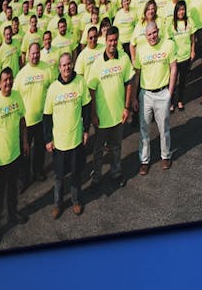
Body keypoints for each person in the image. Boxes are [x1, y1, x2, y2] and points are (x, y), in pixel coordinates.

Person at [43, 50, 91, 217]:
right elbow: (47, 116)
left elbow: (86, 108)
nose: (67, 67)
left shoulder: (80, 82)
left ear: (72, 64)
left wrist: (86, 130)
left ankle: (76, 201)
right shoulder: (53, 89)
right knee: (59, 177)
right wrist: (48, 139)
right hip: (60, 143)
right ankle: (58, 204)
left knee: (76, 174)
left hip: (76, 139)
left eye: (69, 64)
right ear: (59, 67)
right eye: (63, 65)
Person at [0, 65, 26, 243]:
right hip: (0, 162)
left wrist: (24, 142)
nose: (8, 83)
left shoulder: (17, 96)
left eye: (10, 79)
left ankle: (13, 214)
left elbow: (22, 120)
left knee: (12, 191)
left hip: (15, 155)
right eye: (5, 80)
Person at [87, 26, 134, 183]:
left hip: (118, 114)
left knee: (116, 147)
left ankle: (116, 171)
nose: (112, 43)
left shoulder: (124, 58)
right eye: (110, 40)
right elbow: (91, 89)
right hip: (101, 117)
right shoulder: (97, 63)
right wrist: (93, 114)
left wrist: (127, 108)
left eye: (115, 40)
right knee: (98, 150)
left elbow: (129, 82)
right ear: (105, 41)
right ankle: (97, 176)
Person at [130, 21, 177, 174]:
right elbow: (136, 75)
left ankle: (165, 156)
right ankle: (144, 161)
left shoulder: (168, 45)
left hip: (163, 92)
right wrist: (134, 98)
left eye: (154, 32)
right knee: (144, 129)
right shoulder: (141, 50)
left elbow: (173, 68)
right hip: (146, 94)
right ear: (145, 35)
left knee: (164, 128)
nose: (152, 36)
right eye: (149, 34)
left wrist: (170, 92)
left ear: (158, 31)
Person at [15, 42, 54, 185]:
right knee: (25, 151)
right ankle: (24, 177)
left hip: (42, 118)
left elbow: (53, 90)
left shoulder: (47, 69)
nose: (35, 55)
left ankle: (38, 171)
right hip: (26, 121)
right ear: (28, 55)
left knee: (39, 148)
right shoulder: (21, 75)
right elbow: (15, 97)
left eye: (37, 52)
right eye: (33, 53)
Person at [170, 0, 195, 111]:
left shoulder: (189, 21)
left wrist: (192, 51)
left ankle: (180, 100)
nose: (181, 12)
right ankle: (171, 102)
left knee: (182, 81)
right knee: (172, 82)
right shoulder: (171, 24)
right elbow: (169, 42)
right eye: (179, 9)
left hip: (186, 57)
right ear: (176, 11)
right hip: (175, 58)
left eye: (183, 9)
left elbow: (192, 39)